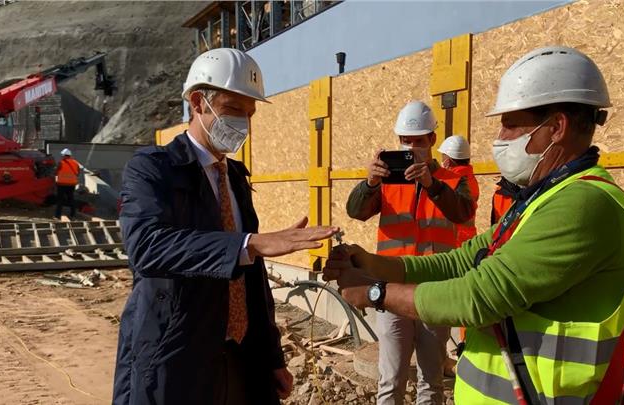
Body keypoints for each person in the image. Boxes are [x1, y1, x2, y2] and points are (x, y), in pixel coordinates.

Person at [325, 46, 624, 404]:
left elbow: (477, 295)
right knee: (393, 378)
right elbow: (459, 262)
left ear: (556, 127)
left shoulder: (582, 204)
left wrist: (375, 292)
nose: (500, 136)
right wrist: (371, 263)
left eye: (510, 123)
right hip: (448, 325)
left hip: (538, 394)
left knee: (428, 379)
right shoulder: (541, 199)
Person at [112, 48, 338, 405]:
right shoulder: (152, 169)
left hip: (239, 354)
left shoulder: (234, 176)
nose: (244, 124)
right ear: (198, 102)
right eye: (234, 111)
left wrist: (273, 358)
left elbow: (254, 282)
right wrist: (249, 244)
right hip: (177, 355)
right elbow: (147, 247)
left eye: (250, 114)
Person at [346, 101, 477, 405]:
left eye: (419, 141)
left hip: (435, 291)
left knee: (430, 380)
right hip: (392, 290)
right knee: (390, 379)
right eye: (406, 141)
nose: (412, 147)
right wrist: (370, 183)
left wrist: (431, 185)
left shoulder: (452, 181)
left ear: (432, 140)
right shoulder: (387, 182)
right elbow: (355, 211)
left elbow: (463, 212)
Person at [437, 135, 479, 245]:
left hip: (454, 239)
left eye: (443, 156)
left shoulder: (451, 181)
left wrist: (443, 174)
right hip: (469, 239)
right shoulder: (471, 178)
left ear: (448, 160)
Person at [54, 148, 80, 219]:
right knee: (71, 199)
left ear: (64, 155)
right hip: (71, 185)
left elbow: (55, 172)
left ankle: (57, 216)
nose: (61, 157)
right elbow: (78, 173)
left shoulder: (61, 163)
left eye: (62, 155)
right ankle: (73, 215)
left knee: (60, 200)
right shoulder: (76, 163)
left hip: (61, 184)